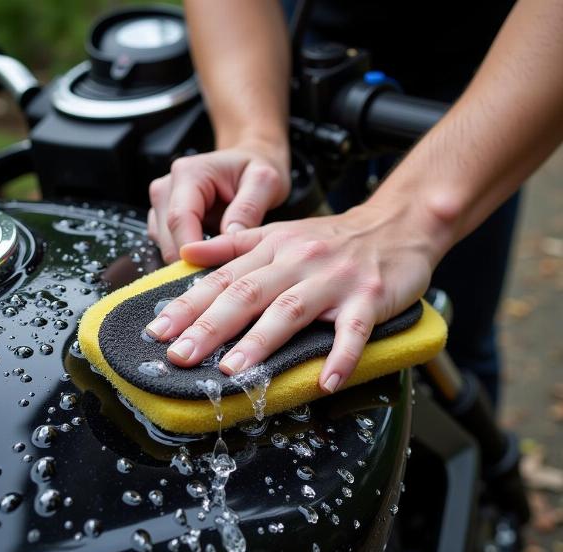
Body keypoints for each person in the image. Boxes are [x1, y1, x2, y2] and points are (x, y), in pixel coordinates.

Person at [145, 0, 563, 398]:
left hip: (502, 54)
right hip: (305, 35)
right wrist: (252, 139)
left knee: (455, 337)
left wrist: (414, 218)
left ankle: (489, 468)